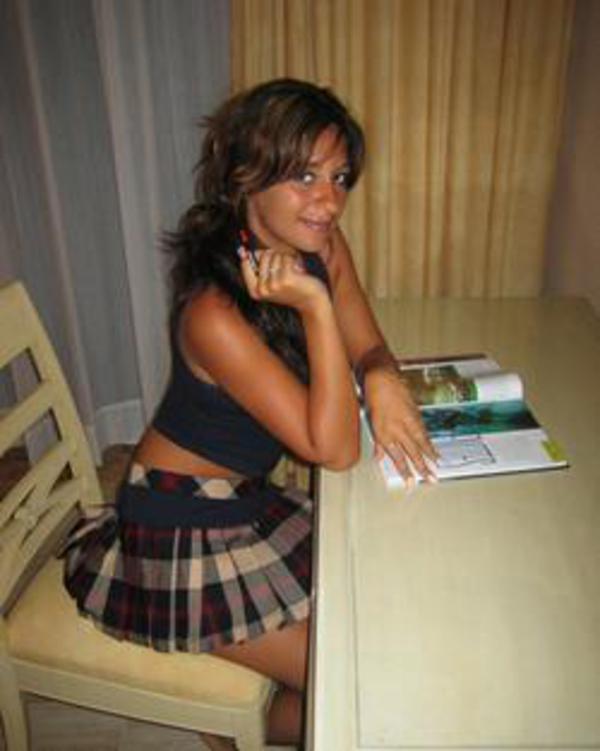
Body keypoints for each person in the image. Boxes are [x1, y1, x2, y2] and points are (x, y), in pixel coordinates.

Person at [63, 78, 436, 749]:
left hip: (246, 498)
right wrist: (315, 307)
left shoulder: (322, 243)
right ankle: (235, 729)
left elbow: (369, 345)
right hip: (177, 527)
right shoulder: (213, 313)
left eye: (339, 177)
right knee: (361, 673)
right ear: (245, 177)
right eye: (304, 176)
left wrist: (381, 373)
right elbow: (335, 449)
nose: (329, 200)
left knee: (384, 595)